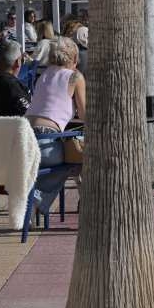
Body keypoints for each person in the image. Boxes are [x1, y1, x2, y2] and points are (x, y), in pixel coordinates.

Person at [26, 36, 86, 213]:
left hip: (24, 139)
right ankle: (36, 198)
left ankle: (31, 199)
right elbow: (85, 115)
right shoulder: (75, 76)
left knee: (64, 157)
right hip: (46, 142)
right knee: (78, 162)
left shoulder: (44, 74)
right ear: (75, 58)